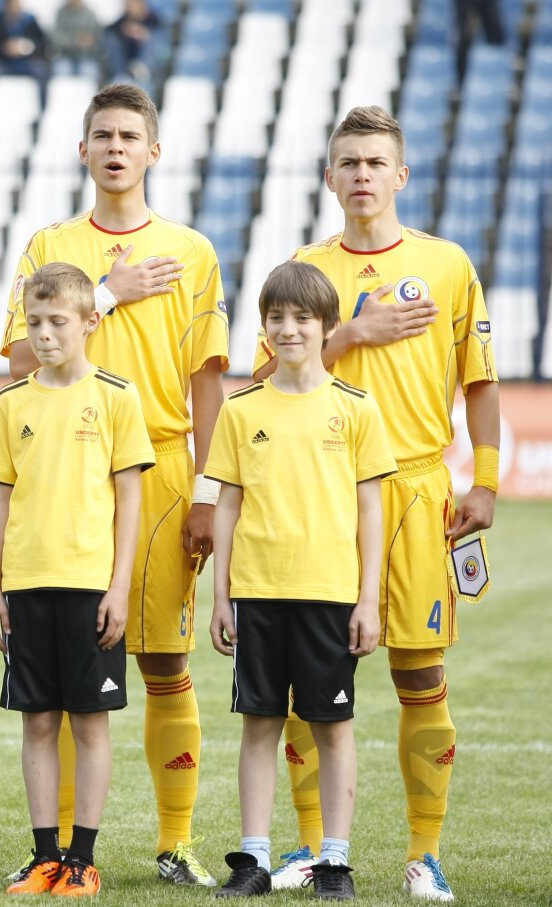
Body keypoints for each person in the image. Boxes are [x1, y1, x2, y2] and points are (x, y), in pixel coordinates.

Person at [251, 106, 499, 901]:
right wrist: (352, 334)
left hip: (418, 492)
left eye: (375, 162)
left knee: (420, 672)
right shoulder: (305, 269)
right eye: (349, 162)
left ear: (401, 175)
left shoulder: (447, 264)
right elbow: (262, 382)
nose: (362, 174)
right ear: (330, 177)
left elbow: (481, 380)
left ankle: (425, 854)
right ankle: (308, 847)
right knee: (306, 680)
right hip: (318, 494)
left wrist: (486, 479)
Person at [1, 82, 227, 887]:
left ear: (153, 151)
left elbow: (207, 380)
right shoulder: (49, 244)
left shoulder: (191, 251)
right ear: (83, 149)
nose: (116, 148)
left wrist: (209, 491)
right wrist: (107, 293)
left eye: (130, 136)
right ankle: (61, 851)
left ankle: (175, 841)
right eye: (103, 135)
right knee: (65, 680)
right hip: (61, 478)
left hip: (158, 471)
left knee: (164, 660)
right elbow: (16, 358)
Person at [208, 260, 395, 901]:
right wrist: (221, 596)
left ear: (328, 326)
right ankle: (253, 859)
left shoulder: (355, 408)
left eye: (302, 318)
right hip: (257, 592)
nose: (288, 329)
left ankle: (334, 862)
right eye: (276, 318)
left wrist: (368, 599)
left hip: (330, 593)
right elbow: (227, 506)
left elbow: (370, 510)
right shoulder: (241, 409)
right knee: (259, 725)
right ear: (263, 327)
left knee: (332, 727)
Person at [0, 263, 153, 897]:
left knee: (90, 723)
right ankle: (44, 856)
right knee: (36, 722)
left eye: (58, 321)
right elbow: (0, 499)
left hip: (89, 585)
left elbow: (129, 499)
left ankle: (83, 858)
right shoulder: (10, 403)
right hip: (27, 584)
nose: (45, 334)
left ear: (90, 321)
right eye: (34, 322)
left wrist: (119, 586)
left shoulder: (116, 397)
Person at [0, 0, 50, 86]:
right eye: (12, 5)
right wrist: (6, 48)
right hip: (4, 62)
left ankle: (43, 95)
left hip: (27, 61)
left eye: (17, 4)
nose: (15, 8)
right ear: (6, 6)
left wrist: (26, 47)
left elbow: (42, 43)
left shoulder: (30, 21)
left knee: (42, 70)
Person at [105, 0, 162, 90]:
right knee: (112, 39)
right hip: (125, 64)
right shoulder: (123, 21)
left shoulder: (154, 20)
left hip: (147, 70)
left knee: (154, 39)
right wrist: (124, 31)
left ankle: (142, 69)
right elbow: (109, 30)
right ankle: (121, 76)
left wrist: (144, 34)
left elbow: (163, 40)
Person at [50, 0, 104, 81]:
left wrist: (90, 40)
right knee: (61, 72)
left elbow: (98, 35)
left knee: (90, 72)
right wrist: (75, 40)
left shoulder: (89, 14)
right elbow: (56, 37)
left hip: (86, 55)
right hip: (65, 55)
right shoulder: (61, 14)